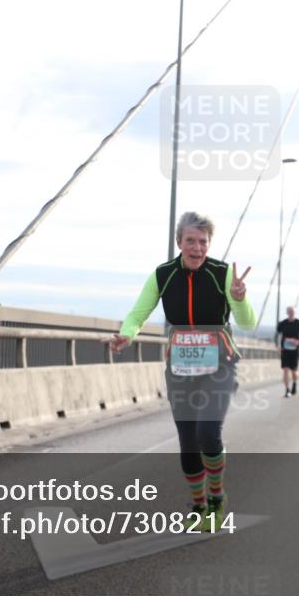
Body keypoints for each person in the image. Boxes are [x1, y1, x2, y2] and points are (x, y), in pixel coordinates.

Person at [105, 212, 255, 532]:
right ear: (179, 242)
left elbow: (247, 323)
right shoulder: (163, 275)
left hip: (220, 365)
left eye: (203, 242)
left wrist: (240, 300)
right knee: (188, 440)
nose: (197, 248)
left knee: (207, 432)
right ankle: (199, 505)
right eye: (191, 241)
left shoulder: (223, 273)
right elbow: (137, 314)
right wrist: (126, 335)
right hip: (181, 368)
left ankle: (217, 498)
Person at [276, 306, 299, 398]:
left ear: (295, 312)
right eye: (289, 311)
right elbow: (277, 335)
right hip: (285, 350)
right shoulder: (283, 323)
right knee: (285, 370)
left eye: (292, 311)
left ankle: (294, 384)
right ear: (287, 312)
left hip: (294, 350)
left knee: (293, 371)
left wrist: (298, 341)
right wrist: (278, 345)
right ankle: (287, 390)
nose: (291, 312)